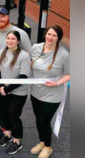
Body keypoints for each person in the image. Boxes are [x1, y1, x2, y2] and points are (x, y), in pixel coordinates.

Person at [29, 25, 70, 158]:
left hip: (53, 94)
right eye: (49, 34)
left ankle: (48, 147)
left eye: (54, 35)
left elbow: (70, 74)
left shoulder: (64, 54)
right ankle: (41, 143)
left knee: (44, 120)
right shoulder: (36, 48)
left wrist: (57, 83)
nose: (50, 37)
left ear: (58, 38)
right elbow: (28, 63)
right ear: (45, 34)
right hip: (36, 92)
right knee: (38, 119)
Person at [0, 30, 31, 155]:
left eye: (13, 39)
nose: (9, 41)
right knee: (4, 113)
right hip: (3, 90)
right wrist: (1, 87)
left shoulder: (24, 56)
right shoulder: (2, 52)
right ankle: (8, 135)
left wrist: (7, 89)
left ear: (18, 41)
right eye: (8, 38)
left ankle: (17, 142)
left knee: (13, 116)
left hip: (17, 93)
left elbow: (23, 77)